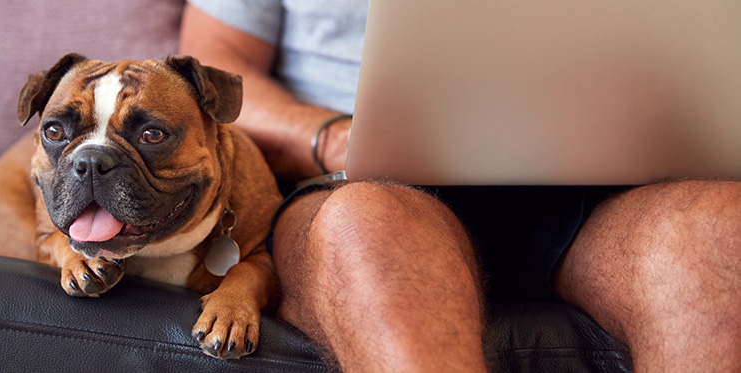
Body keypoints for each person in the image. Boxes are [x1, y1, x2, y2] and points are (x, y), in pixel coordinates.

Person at [180, 1, 741, 371]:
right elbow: (215, 69)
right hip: (365, 177)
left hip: (610, 182)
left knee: (720, 228)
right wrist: (328, 138)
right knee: (367, 230)